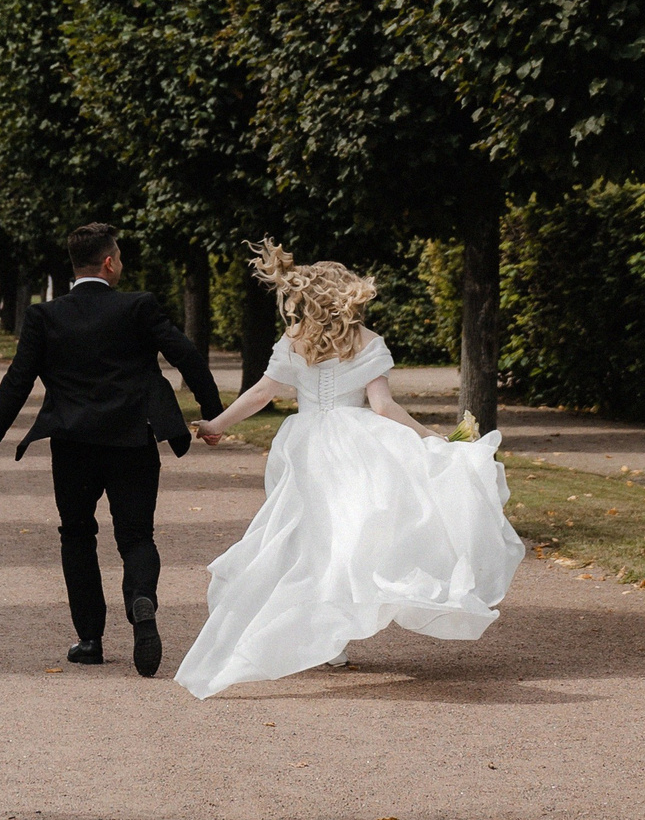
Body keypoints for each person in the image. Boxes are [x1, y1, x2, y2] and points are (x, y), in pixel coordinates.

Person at [174, 241, 523, 700]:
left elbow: (262, 395)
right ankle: (332, 631)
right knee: (351, 536)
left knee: (309, 537)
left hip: (307, 447)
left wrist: (217, 424)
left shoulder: (294, 340)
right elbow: (383, 407)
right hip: (358, 448)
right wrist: (432, 439)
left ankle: (321, 637)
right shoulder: (368, 342)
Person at [0, 221, 222, 677]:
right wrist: (212, 413)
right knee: (137, 537)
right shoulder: (138, 307)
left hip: (73, 445)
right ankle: (141, 600)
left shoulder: (46, 317)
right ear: (108, 262)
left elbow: (16, 383)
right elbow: (185, 354)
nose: (121, 264)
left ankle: (90, 639)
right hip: (132, 441)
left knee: (77, 535)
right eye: (119, 257)